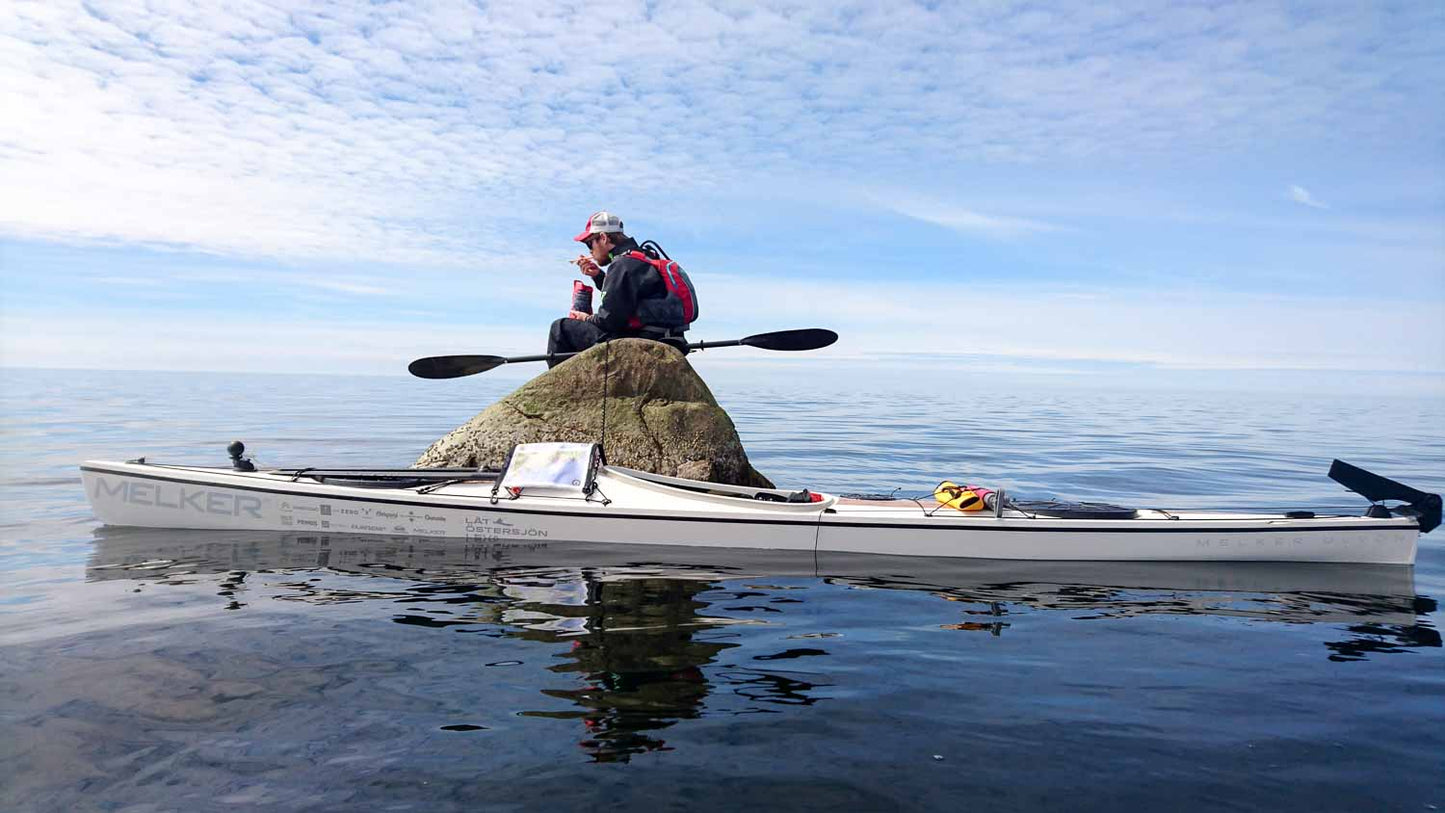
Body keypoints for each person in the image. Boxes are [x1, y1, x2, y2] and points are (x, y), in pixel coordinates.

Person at [546, 210, 693, 367]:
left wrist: (584, 318)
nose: (590, 251)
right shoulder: (646, 256)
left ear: (603, 238)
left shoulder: (622, 264)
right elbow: (626, 297)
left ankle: (565, 387)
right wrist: (597, 276)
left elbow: (609, 320)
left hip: (639, 344)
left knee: (560, 328)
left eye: (590, 243)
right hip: (666, 338)